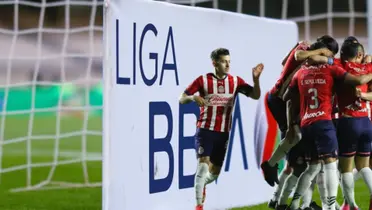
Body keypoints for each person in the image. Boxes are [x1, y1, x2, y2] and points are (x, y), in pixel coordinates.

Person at [284, 41, 372, 210]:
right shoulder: (365, 67)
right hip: (365, 121)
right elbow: (362, 80)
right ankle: (331, 206)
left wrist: (321, 55)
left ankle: (347, 205)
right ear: (360, 54)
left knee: (334, 168)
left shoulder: (336, 65)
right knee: (362, 166)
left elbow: (288, 94)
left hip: (332, 121)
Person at [178, 48, 263, 210]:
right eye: (224, 61)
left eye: (229, 61)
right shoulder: (203, 80)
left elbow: (255, 95)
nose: (227, 64)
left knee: (214, 173)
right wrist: (193, 97)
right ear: (214, 63)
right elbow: (181, 98)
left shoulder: (236, 81)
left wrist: (256, 80)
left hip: (223, 134)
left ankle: (202, 185)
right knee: (202, 165)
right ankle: (199, 205)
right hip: (205, 130)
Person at [261, 36, 336, 190]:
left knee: (303, 151)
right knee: (294, 136)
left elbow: (284, 62)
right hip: (279, 99)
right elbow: (297, 56)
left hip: (288, 100)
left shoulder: (308, 54)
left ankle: (301, 198)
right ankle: (271, 165)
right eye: (330, 54)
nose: (329, 58)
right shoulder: (305, 50)